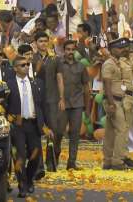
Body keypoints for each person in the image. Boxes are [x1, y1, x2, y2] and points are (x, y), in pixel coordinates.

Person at [5, 55, 52, 198]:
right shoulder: (9, 84)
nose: (26, 67)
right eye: (22, 65)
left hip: (33, 124)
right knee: (19, 156)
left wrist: (48, 126)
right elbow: (4, 105)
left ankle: (29, 179)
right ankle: (22, 185)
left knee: (35, 156)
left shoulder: (37, 83)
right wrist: (9, 120)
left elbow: (43, 105)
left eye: (27, 64)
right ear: (15, 68)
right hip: (17, 126)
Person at [101, 38, 133, 170]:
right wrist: (110, 103)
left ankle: (108, 161)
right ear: (112, 49)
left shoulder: (126, 62)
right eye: (120, 48)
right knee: (122, 129)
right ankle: (119, 161)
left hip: (121, 99)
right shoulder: (109, 63)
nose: (123, 50)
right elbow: (107, 84)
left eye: (125, 47)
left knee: (110, 131)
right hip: (113, 100)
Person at [52, 40, 89, 170]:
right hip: (61, 103)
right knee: (59, 132)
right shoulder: (58, 64)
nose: (70, 52)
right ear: (64, 50)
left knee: (75, 133)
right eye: (67, 49)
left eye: (72, 49)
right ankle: (55, 156)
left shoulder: (81, 66)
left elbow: (86, 87)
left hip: (77, 103)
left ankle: (71, 162)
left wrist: (87, 108)